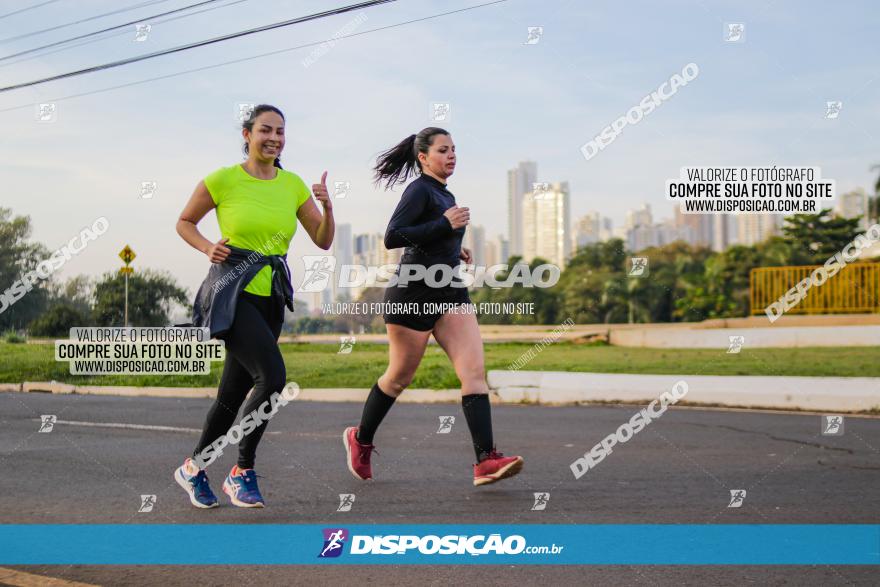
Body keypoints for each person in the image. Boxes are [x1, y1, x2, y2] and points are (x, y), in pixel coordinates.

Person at [173, 104, 334, 508]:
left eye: (281, 131)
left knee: (232, 395)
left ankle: (193, 469)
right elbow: (185, 222)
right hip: (233, 291)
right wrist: (209, 246)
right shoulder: (223, 180)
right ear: (247, 134)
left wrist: (328, 208)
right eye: (266, 130)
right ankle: (242, 470)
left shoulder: (293, 184)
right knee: (273, 377)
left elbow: (323, 239)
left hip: (272, 296)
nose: (274, 138)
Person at [343, 127, 523, 487]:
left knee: (473, 372)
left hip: (450, 291)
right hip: (412, 295)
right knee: (398, 378)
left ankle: (485, 460)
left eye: (454, 149)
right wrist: (444, 224)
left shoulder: (445, 193)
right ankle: (360, 439)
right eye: (443, 150)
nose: (451, 155)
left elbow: (431, 237)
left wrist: (454, 248)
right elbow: (394, 235)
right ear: (423, 157)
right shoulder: (419, 190)